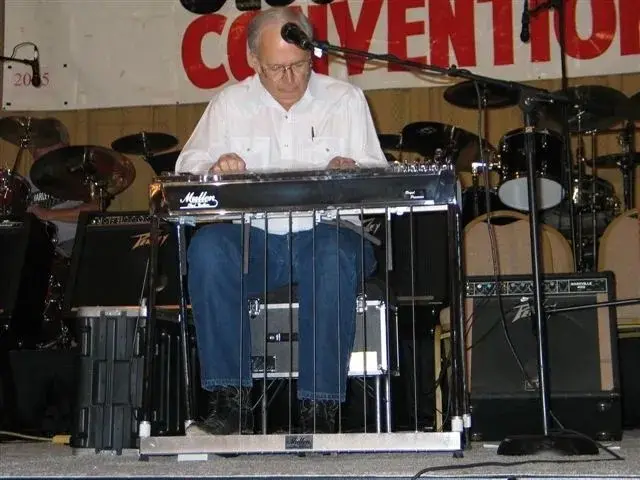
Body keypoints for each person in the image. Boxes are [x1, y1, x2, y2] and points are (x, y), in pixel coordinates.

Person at [175, 6, 387, 435]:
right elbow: (187, 165)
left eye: (299, 65)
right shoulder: (230, 104)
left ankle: (319, 408)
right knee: (210, 250)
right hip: (256, 241)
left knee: (328, 255)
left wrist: (353, 171)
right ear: (254, 61)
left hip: (330, 233)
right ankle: (229, 401)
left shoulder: (345, 100)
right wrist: (217, 165)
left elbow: (377, 179)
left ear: (313, 54)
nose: (290, 78)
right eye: (277, 68)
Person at [25, 118, 99, 257]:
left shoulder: (81, 174)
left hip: (73, 243)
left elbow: (94, 209)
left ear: (63, 147)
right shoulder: (25, 181)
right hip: (37, 247)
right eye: (38, 149)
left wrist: (47, 214)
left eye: (49, 147)